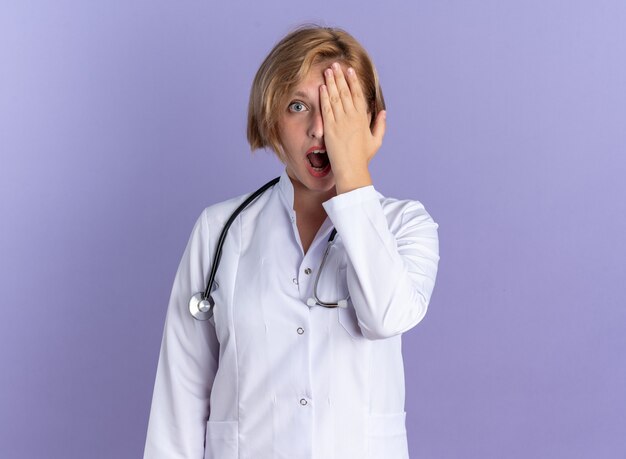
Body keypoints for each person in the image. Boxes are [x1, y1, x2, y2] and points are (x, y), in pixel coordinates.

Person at [143, 24, 440, 459]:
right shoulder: (219, 229)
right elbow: (179, 398)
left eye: (341, 109)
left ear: (371, 120)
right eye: (298, 106)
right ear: (271, 119)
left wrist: (354, 174)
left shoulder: (405, 224)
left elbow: (386, 317)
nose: (321, 129)